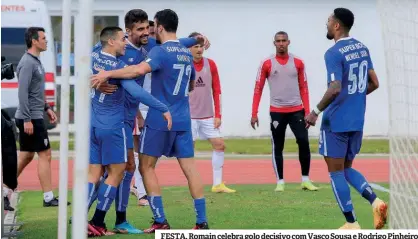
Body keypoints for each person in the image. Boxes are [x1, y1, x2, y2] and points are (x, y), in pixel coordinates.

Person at [89, 9, 211, 227]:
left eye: (152, 27)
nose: (149, 32)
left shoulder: (159, 52)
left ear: (160, 28)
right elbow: (191, 84)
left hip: (159, 117)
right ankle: (202, 222)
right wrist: (197, 38)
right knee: (191, 169)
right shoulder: (187, 54)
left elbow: (136, 71)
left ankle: (160, 220)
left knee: (145, 167)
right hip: (184, 118)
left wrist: (108, 73)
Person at [304, 8, 387, 230]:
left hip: (336, 121)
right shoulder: (362, 47)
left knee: (335, 171)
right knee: (347, 166)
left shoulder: (333, 53)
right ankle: (375, 201)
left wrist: (314, 112)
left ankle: (351, 223)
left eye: (329, 19)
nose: (327, 22)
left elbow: (334, 88)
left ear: (337, 25)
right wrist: (354, 98)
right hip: (357, 119)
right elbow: (374, 83)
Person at [86, 26, 171, 237]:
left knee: (94, 174)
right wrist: (163, 108)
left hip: (94, 126)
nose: (126, 42)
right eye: (123, 39)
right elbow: (138, 92)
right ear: (112, 42)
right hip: (113, 126)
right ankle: (97, 222)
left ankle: (82, 219)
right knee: (117, 173)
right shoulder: (118, 66)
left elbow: (81, 69)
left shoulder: (94, 55)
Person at [251, 31, 318, 192]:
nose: (281, 43)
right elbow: (258, 88)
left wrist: (308, 112)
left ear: (289, 42)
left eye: (284, 41)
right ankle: (280, 181)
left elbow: (304, 87)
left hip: (297, 111)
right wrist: (254, 113)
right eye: (278, 41)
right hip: (277, 112)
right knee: (278, 146)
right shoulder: (266, 63)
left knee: (303, 142)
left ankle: (305, 180)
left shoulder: (298, 63)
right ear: (274, 43)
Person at [14, 27, 67, 207]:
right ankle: (48, 197)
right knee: (45, 154)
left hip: (36, 114)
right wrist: (28, 119)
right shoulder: (28, 62)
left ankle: (5, 189)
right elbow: (22, 93)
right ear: (34, 41)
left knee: (26, 156)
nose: (46, 41)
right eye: (43, 38)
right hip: (31, 117)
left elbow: (36, 91)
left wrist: (47, 107)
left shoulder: (36, 61)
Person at [188, 32, 235, 193]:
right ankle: (191, 184)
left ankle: (217, 184)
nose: (199, 49)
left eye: (201, 46)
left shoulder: (211, 64)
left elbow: (217, 90)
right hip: (189, 117)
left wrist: (218, 115)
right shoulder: (185, 65)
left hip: (208, 116)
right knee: (188, 150)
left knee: (219, 145)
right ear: (189, 48)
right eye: (196, 46)